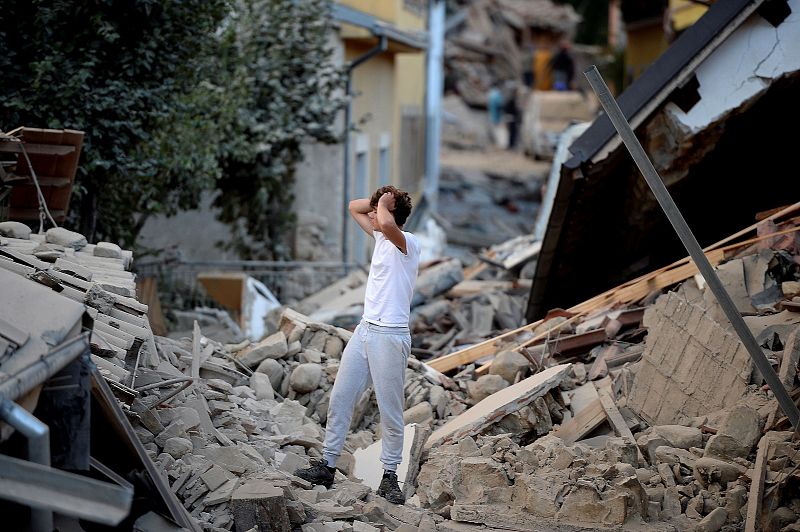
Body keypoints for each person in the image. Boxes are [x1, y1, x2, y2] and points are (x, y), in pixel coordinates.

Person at [294, 185, 420, 505]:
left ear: (390, 215)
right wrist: (384, 201)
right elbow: (354, 206)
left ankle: (390, 477)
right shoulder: (380, 237)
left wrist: (388, 207)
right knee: (341, 397)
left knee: (389, 410)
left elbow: (389, 224)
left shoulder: (409, 244)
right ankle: (328, 464)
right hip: (365, 332)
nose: (373, 218)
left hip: (390, 337)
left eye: (379, 212)